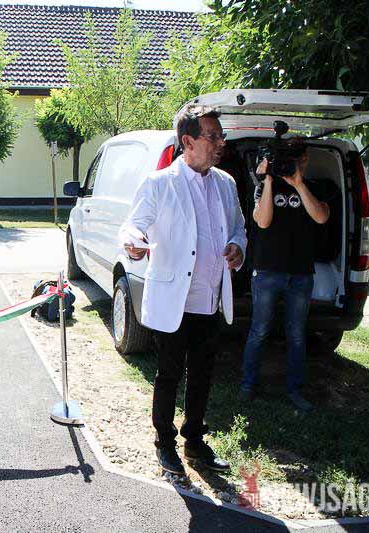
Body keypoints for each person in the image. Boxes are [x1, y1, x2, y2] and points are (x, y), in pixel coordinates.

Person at [119, 105, 247, 476]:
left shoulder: (226, 183)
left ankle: (194, 440)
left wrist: (238, 247)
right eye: (213, 136)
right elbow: (133, 225)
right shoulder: (160, 183)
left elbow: (238, 228)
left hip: (210, 298)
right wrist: (134, 242)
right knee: (169, 374)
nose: (220, 143)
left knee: (203, 374)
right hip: (174, 300)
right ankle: (165, 442)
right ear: (188, 141)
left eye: (221, 136)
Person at [239, 142, 330, 412]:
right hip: (268, 270)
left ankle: (295, 389)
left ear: (305, 159)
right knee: (259, 330)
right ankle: (247, 385)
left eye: (296, 159)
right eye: (286, 160)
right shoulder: (265, 186)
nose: (291, 165)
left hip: (301, 273)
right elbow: (263, 221)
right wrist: (268, 179)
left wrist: (299, 184)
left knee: (297, 333)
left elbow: (321, 217)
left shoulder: (315, 187)